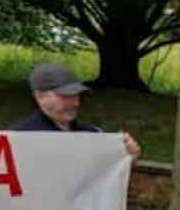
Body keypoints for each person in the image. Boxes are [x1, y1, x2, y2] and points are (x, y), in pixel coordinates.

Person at [11, 63, 142, 158]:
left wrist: (126, 157)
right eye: (65, 96)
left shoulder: (94, 135)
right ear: (39, 96)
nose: (75, 102)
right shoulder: (16, 140)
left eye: (76, 95)